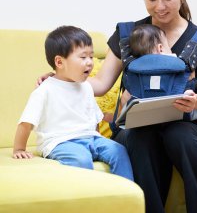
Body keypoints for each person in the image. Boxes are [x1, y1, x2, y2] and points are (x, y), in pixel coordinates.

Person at [37, 0, 197, 213]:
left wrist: (196, 102)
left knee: (178, 135)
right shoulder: (128, 34)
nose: (159, 7)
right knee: (141, 137)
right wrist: (61, 78)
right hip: (138, 127)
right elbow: (101, 84)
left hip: (188, 127)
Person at [13, 25, 134, 181]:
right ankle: (89, 198)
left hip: (91, 138)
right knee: (81, 158)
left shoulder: (86, 87)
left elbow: (94, 119)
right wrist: (19, 149)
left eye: (91, 56)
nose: (90, 62)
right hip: (60, 142)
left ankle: (127, 194)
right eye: (83, 57)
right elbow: (26, 123)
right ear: (59, 62)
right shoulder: (45, 90)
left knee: (118, 151)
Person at [128, 23, 197, 139]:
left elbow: (128, 97)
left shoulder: (135, 69)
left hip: (147, 117)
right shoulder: (174, 62)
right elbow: (189, 77)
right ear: (161, 48)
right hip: (180, 112)